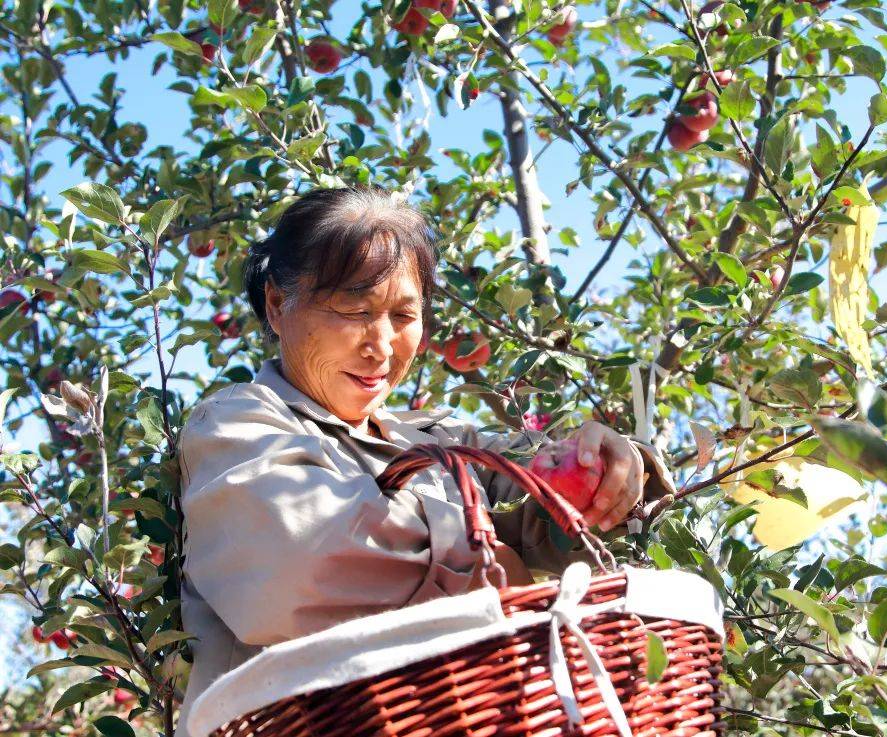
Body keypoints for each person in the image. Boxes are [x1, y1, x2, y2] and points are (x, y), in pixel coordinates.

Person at [175, 186, 677, 737]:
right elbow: (299, 565)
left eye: (403, 314)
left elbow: (556, 514)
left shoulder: (439, 438)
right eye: (354, 310)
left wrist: (617, 470)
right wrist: (484, 566)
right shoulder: (237, 423)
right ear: (277, 305)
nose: (383, 346)